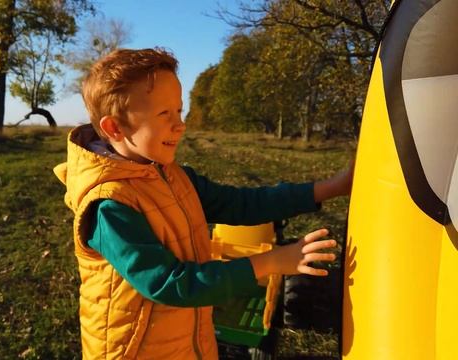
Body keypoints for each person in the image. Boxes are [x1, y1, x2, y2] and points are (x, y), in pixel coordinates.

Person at [53, 48, 352, 359]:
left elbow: (241, 203)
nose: (180, 125)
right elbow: (171, 284)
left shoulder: (172, 175)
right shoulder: (109, 205)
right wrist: (272, 262)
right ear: (115, 128)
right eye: (164, 114)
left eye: (179, 112)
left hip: (186, 339)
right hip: (133, 350)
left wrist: (331, 187)